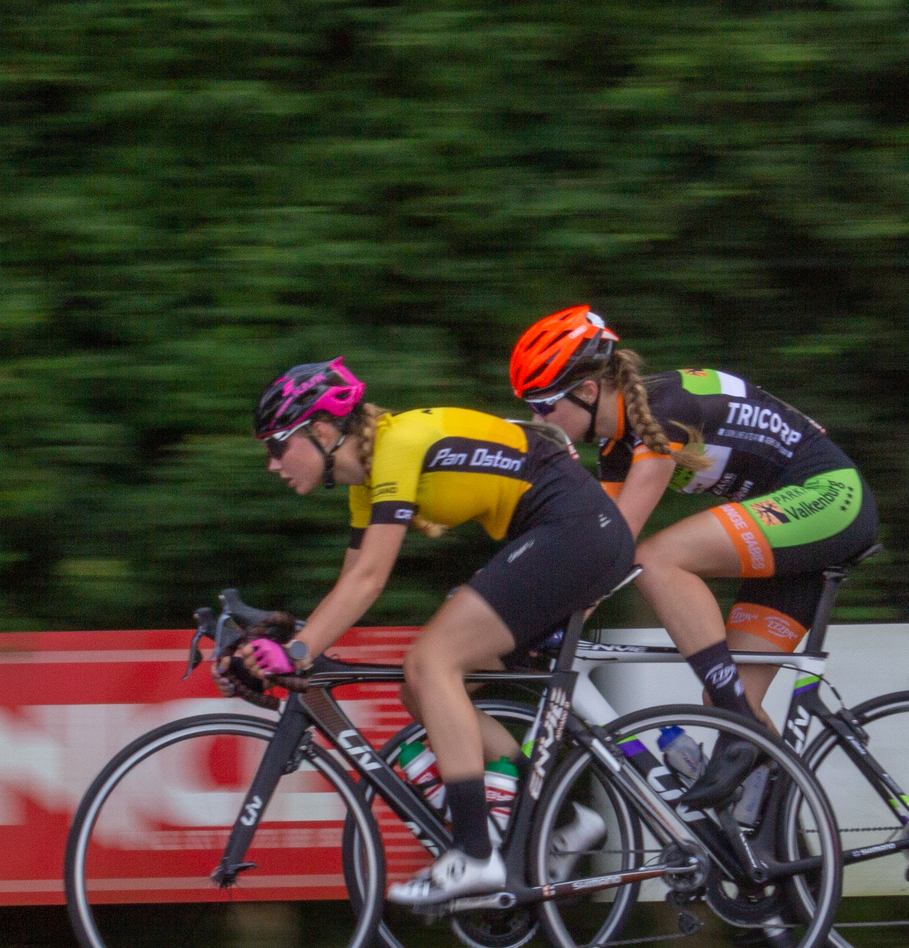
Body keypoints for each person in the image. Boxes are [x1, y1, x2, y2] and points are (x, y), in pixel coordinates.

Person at [238, 358, 636, 904]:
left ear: (322, 430)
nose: (272, 464)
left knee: (432, 663)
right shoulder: (370, 478)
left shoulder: (398, 446)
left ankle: (474, 855)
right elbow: (351, 582)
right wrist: (294, 646)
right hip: (565, 534)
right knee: (420, 686)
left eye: (276, 446)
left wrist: (298, 652)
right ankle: (565, 820)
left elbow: (372, 580)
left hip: (575, 532)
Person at [507, 307, 878, 805]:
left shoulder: (664, 412)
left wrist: (543, 617)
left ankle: (739, 719)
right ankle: (779, 854)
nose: (538, 421)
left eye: (544, 406)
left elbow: (618, 545)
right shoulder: (618, 447)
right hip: (793, 533)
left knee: (657, 557)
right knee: (723, 703)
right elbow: (594, 555)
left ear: (588, 391)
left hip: (830, 498)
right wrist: (555, 623)